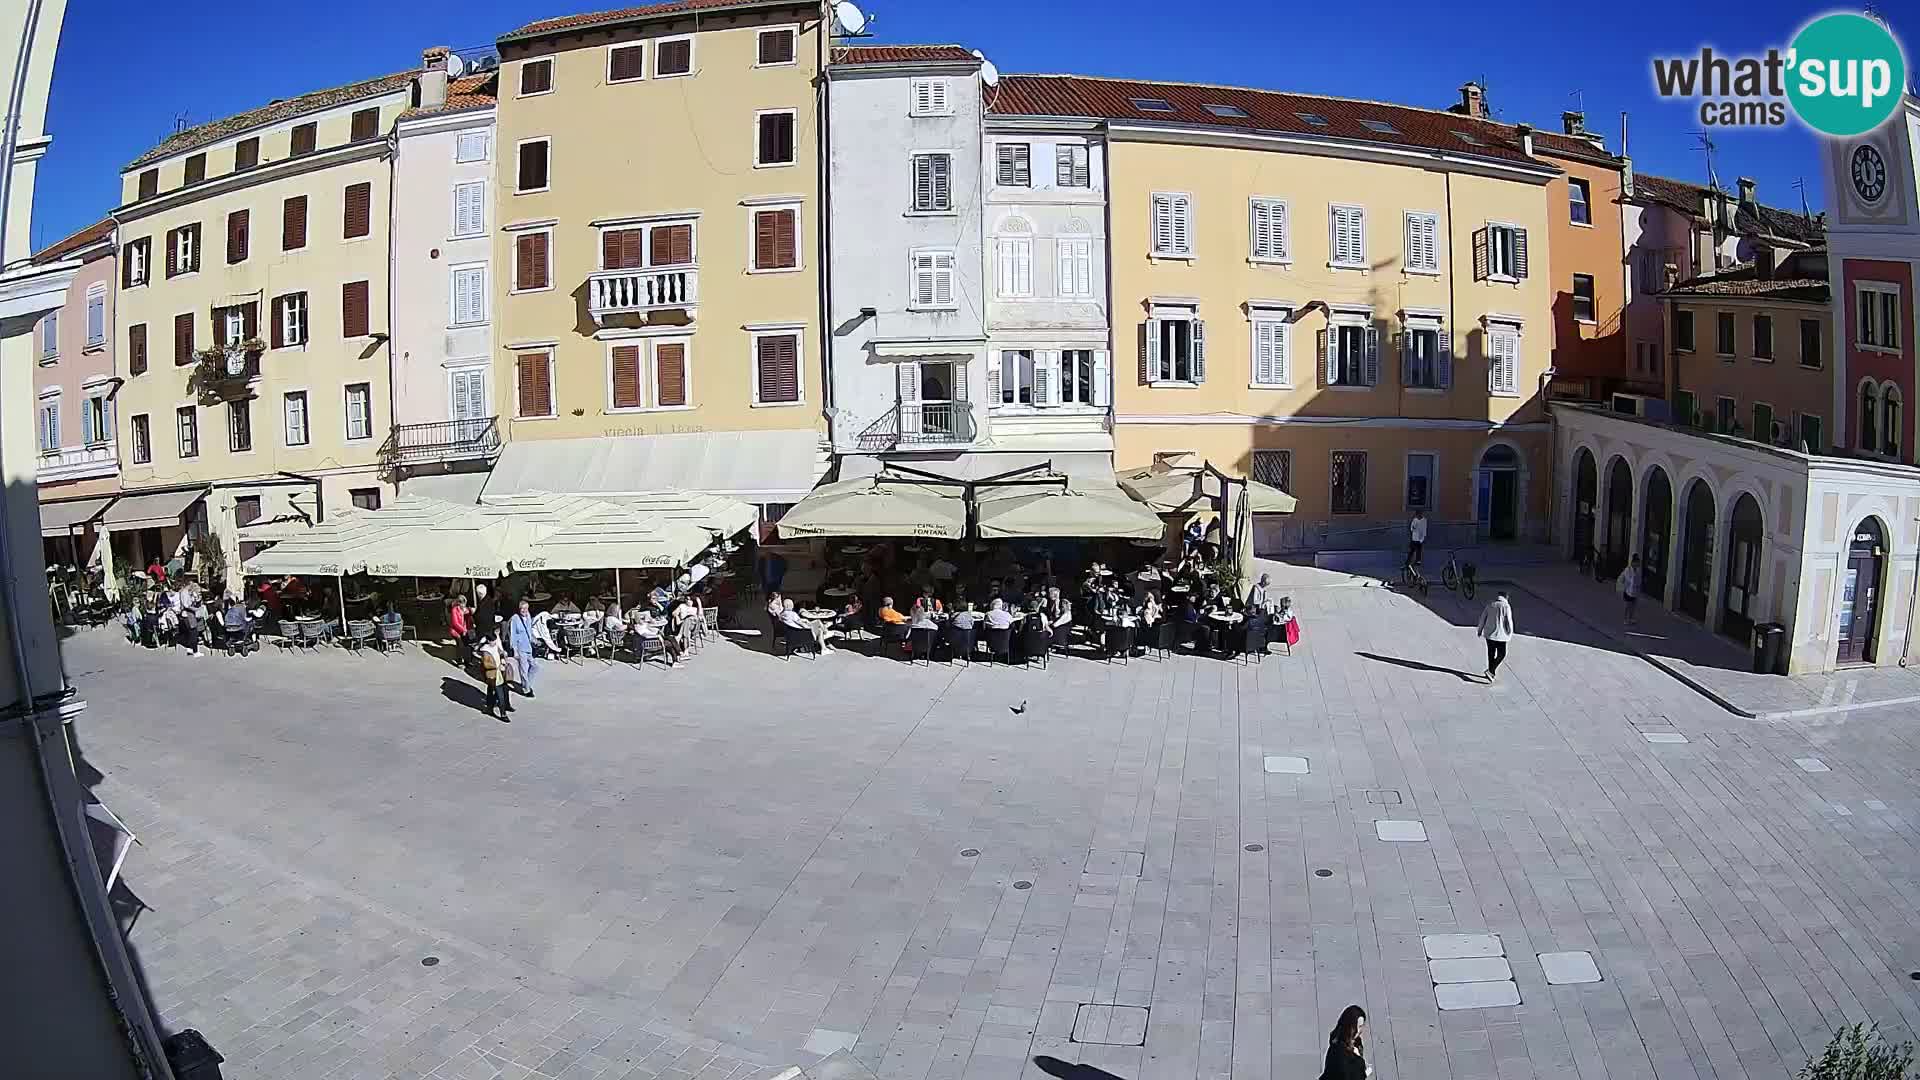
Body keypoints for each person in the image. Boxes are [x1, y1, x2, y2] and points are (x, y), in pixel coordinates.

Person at [1319, 1006, 1369, 1080]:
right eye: (1357, 1026)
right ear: (1349, 1026)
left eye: (1361, 1026)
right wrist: (1360, 1061)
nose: (1359, 1030)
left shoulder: (1356, 1041)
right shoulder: (1338, 1051)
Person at [1477, 590, 1515, 682]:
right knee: (1502, 654)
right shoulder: (1506, 606)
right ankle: (1491, 671)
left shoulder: (1490, 604)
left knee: (1491, 653)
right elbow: (1509, 621)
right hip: (1501, 635)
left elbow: (1483, 618)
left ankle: (1491, 672)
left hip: (1489, 634)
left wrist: (1480, 630)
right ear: (1506, 597)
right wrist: (1510, 633)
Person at [478, 630, 514, 720]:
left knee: (501, 689)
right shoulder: (485, 651)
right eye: (493, 641)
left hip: (500, 673)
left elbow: (500, 652)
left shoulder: (495, 646)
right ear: (489, 641)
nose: (494, 642)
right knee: (500, 693)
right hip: (493, 674)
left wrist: (502, 658)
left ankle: (493, 707)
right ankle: (503, 714)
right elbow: (486, 664)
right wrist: (497, 667)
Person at [508, 601, 539, 698]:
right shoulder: (515, 619)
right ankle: (527, 689)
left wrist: (534, 639)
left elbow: (529, 630)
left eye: (525, 608)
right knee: (523, 669)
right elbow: (512, 635)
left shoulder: (528, 616)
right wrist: (515, 650)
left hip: (528, 646)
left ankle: (526, 684)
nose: (524, 610)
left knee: (535, 666)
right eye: (522, 608)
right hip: (520, 647)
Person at [1618, 554, 1641, 625]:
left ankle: (1631, 618)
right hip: (1627, 591)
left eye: (1638, 563)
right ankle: (1625, 619)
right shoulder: (1628, 569)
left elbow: (1638, 581)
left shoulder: (1637, 570)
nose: (1638, 564)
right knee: (1627, 606)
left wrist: (1638, 587)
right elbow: (1628, 579)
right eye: (1637, 563)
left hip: (1634, 591)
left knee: (1633, 606)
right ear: (1633, 563)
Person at [449, 594, 472, 665]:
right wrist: (463, 630)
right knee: (460, 644)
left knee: (467, 645)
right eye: (462, 604)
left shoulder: (466, 610)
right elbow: (455, 623)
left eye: (465, 604)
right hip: (456, 631)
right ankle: (459, 660)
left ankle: (467, 660)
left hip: (463, 630)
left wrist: (469, 612)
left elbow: (467, 620)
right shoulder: (454, 610)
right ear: (459, 603)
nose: (463, 606)